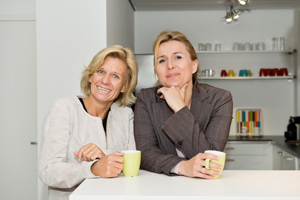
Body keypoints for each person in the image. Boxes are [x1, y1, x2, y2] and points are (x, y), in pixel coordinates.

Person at [38, 45, 138, 200]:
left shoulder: (125, 115)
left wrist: (103, 155)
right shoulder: (64, 108)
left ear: (124, 86)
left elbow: (131, 165)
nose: (105, 81)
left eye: (115, 76)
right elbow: (47, 171)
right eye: (101, 71)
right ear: (91, 76)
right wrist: (92, 168)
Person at [134, 31, 233, 179]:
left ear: (193, 66)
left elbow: (210, 161)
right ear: (156, 71)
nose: (170, 65)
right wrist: (182, 166)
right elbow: (146, 153)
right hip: (160, 187)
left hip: (204, 188)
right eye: (162, 60)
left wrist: (180, 108)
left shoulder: (220, 99)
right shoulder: (146, 98)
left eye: (177, 57)